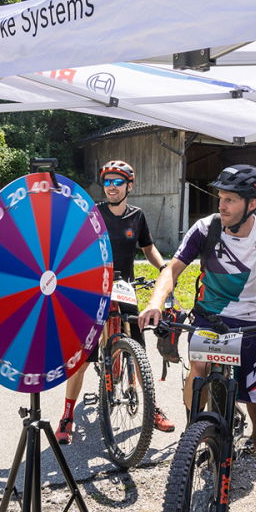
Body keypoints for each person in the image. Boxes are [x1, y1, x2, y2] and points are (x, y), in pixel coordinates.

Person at [139, 164, 256, 512]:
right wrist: (156, 302)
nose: (222, 205)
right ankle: (195, 435)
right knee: (197, 372)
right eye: (221, 198)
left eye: (230, 199)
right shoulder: (206, 228)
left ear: (252, 203)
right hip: (209, 323)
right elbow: (173, 269)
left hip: (251, 330)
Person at [55, 160, 176, 444]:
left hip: (125, 289)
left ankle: (151, 408)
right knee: (83, 359)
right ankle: (67, 415)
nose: (111, 187)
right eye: (107, 182)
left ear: (129, 186)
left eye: (117, 182)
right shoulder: (93, 214)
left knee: (139, 354)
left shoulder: (138, 216)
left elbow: (148, 248)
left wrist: (163, 269)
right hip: (93, 290)